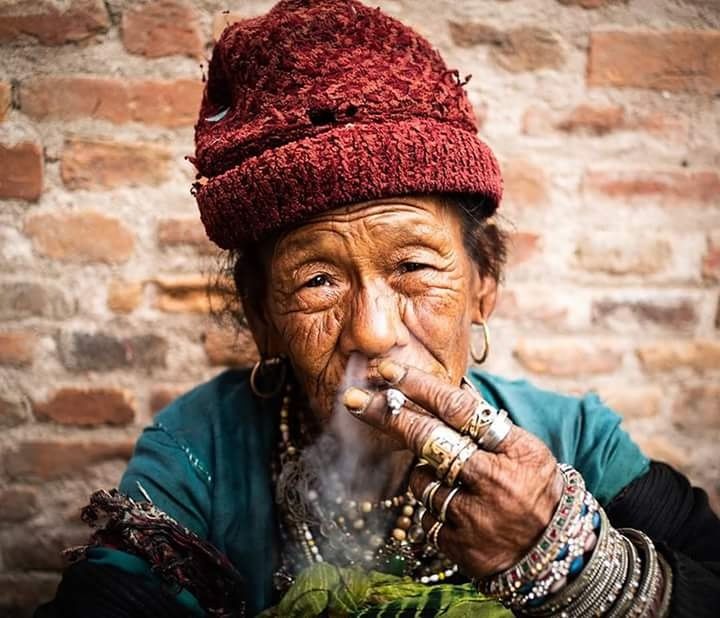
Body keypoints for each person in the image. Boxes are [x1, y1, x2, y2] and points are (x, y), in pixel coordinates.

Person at [37, 0, 719, 616]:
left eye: (415, 267)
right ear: (261, 314)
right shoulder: (199, 446)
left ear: (484, 287)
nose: (373, 331)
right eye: (318, 282)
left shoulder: (576, 443)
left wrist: (570, 561)